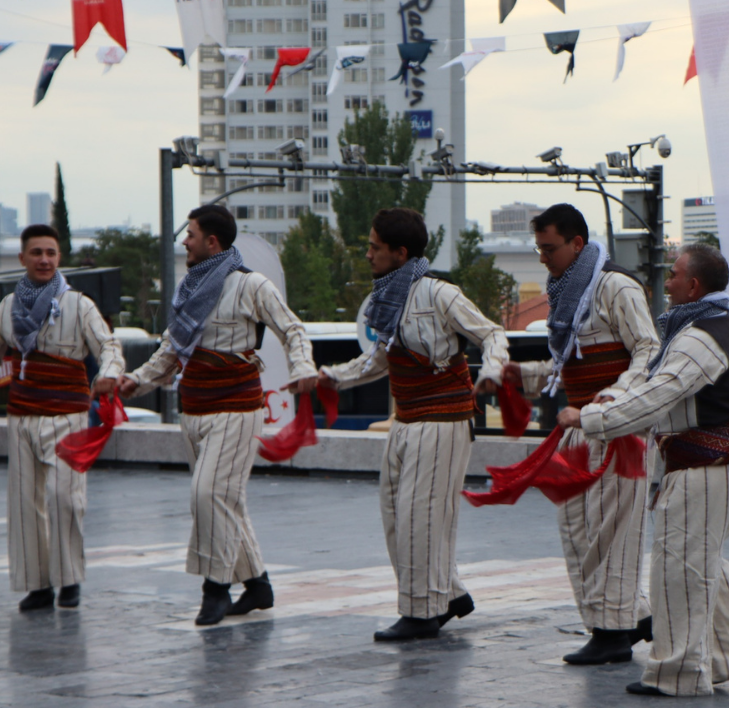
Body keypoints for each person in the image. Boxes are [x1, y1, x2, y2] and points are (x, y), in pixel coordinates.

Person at [558, 244, 729, 697]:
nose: (666, 281)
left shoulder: (698, 338)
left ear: (693, 286)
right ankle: (728, 657)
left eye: (673, 274)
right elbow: (655, 386)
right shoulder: (703, 327)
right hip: (719, 465)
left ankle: (677, 674)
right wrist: (611, 400)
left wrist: (590, 419)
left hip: (706, 468)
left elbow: (658, 397)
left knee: (679, 566)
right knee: (702, 560)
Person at [117, 205, 316, 626]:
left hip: (237, 408)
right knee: (226, 501)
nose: (184, 241)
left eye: (190, 234)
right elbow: (171, 351)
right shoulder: (189, 289)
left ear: (212, 242)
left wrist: (302, 369)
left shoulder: (250, 285)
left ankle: (215, 589)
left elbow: (293, 330)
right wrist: (135, 381)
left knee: (207, 494)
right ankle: (258, 585)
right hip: (195, 407)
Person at [319, 207, 509, 641]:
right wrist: (331, 377)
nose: (367, 254)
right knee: (393, 511)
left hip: (443, 420)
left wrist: (492, 372)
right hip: (406, 419)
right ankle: (451, 593)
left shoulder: (439, 293)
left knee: (419, 515)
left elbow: (493, 333)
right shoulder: (388, 297)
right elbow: (379, 359)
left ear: (400, 253)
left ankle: (422, 612)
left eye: (374, 247)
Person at [498, 204, 659, 664]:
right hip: (580, 426)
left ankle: (612, 633)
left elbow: (648, 350)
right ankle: (633, 615)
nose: (543, 258)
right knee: (576, 526)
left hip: (617, 429)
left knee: (610, 530)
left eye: (549, 249)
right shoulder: (569, 292)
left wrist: (612, 400)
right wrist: (524, 374)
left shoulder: (616, 286)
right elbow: (569, 365)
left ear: (577, 244)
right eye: (539, 248)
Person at [0, 225, 124, 612]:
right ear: (22, 258)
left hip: (68, 413)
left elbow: (107, 344)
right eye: (37, 253)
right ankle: (36, 585)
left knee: (64, 497)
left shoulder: (78, 304)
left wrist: (108, 374)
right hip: (23, 414)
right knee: (25, 502)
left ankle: (69, 578)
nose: (44, 260)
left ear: (59, 259)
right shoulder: (9, 306)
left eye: (51, 253)